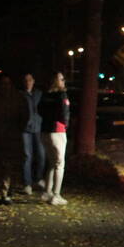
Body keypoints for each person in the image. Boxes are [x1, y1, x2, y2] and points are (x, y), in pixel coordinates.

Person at [0, 73, 26, 204]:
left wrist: (20, 128)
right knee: (1, 166)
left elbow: (25, 115)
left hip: (12, 136)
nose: (6, 86)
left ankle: (9, 190)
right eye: (3, 83)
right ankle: (4, 190)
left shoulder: (18, 98)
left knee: (12, 165)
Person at [39, 72, 70, 205]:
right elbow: (64, 112)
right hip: (57, 131)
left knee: (51, 162)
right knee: (60, 164)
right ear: (58, 81)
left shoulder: (45, 95)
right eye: (62, 79)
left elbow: (39, 110)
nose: (64, 81)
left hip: (45, 130)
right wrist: (66, 125)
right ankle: (56, 195)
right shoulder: (61, 95)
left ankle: (47, 192)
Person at [19, 73, 45, 196]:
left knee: (41, 154)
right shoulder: (20, 95)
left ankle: (38, 178)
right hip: (25, 129)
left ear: (33, 81)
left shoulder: (39, 94)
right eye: (26, 80)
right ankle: (27, 183)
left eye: (30, 79)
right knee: (27, 156)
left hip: (38, 127)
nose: (28, 82)